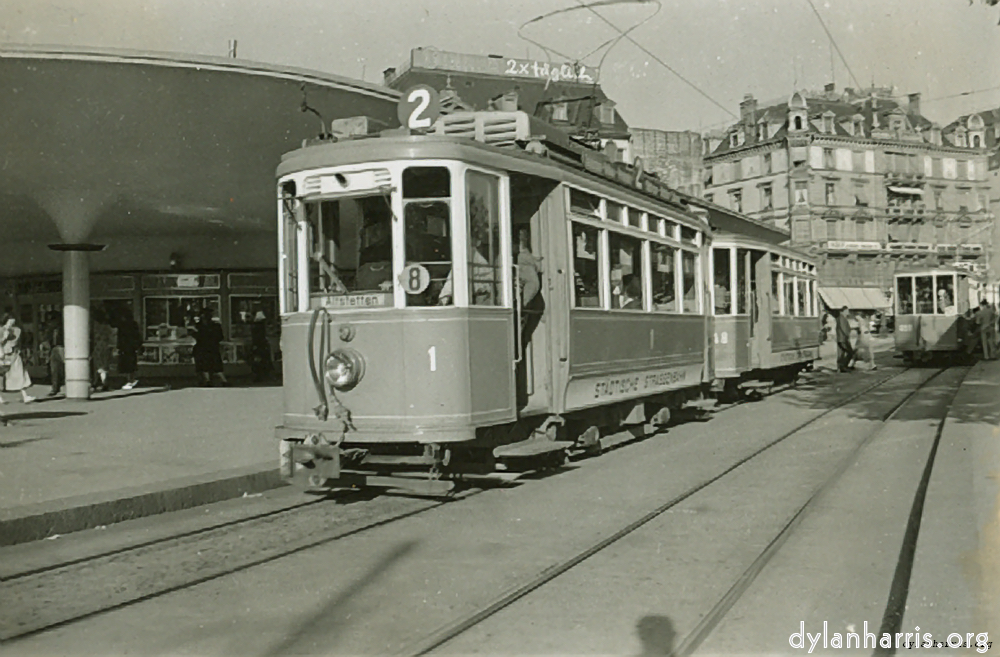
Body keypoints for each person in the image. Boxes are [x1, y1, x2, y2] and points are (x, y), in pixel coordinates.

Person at [0, 314, 35, 404]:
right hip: (4, 355)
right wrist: (4, 336)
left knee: (21, 374)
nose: (12, 323)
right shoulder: (1, 330)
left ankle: (25, 395)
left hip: (15, 355)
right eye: (10, 321)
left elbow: (18, 341)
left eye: (13, 321)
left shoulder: (17, 330)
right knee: (2, 377)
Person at [191, 311, 228, 387]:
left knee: (204, 365)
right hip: (213, 347)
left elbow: (196, 336)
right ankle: (223, 380)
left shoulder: (198, 327)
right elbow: (220, 337)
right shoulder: (216, 326)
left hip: (203, 348)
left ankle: (208, 380)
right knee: (216, 365)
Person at [115, 310, 143, 390]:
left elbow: (120, 337)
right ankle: (131, 379)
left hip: (125, 347)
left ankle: (130, 380)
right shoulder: (133, 325)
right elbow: (137, 336)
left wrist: (119, 346)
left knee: (127, 364)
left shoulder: (122, 326)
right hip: (131, 347)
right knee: (131, 364)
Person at [90, 307, 115, 392]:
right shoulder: (107, 327)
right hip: (106, 347)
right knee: (104, 366)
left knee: (97, 366)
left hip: (98, 347)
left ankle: (98, 383)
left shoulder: (94, 327)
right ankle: (104, 383)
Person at [249, 311, 274, 382]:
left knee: (257, 361)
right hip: (262, 345)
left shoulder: (255, 326)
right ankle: (264, 374)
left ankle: (258, 375)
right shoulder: (261, 326)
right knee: (262, 360)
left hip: (257, 345)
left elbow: (256, 337)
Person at [835, 306, 854, 373]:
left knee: (842, 354)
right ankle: (843, 366)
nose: (848, 312)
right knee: (850, 352)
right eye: (847, 311)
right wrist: (848, 334)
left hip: (842, 338)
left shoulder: (842, 317)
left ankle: (841, 367)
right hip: (843, 338)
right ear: (844, 311)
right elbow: (844, 328)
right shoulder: (841, 318)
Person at [48, 323, 65, 397]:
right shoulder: (51, 331)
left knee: (63, 368)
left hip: (62, 347)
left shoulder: (63, 329)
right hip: (54, 348)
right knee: (54, 369)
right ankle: (55, 387)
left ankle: (58, 386)